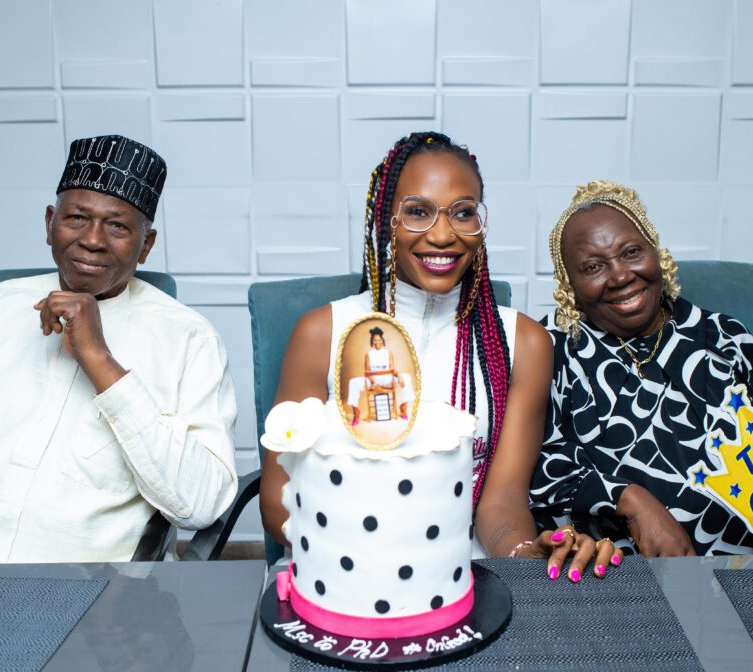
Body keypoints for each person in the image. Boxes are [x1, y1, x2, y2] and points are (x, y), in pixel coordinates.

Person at [260, 132, 622, 581]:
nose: (443, 234)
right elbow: (276, 500)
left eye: (463, 212)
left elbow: (501, 501)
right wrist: (374, 556)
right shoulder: (322, 333)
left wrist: (525, 553)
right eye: (418, 211)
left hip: (467, 576)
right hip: (343, 573)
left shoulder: (525, 343)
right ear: (386, 220)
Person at [0, 135, 238, 565]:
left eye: (117, 226)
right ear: (49, 224)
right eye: (77, 217)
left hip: (76, 588)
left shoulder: (188, 341)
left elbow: (202, 502)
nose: (93, 240)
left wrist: (99, 359)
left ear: (146, 245)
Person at [530, 179, 753, 556]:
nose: (621, 276)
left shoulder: (725, 339)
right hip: (617, 571)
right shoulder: (549, 349)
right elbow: (530, 468)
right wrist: (628, 499)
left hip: (749, 567)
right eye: (593, 266)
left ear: (655, 251)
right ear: (569, 285)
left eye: (631, 252)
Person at [345, 326, 413, 425]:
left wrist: (399, 376)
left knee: (407, 377)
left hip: (387, 379)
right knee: (353, 382)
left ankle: (403, 409)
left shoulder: (388, 353)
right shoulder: (368, 354)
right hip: (373, 380)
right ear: (372, 342)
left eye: (379, 340)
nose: (377, 342)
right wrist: (374, 384)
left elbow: (392, 369)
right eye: (374, 340)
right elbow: (367, 372)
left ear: (382, 340)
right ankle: (356, 413)